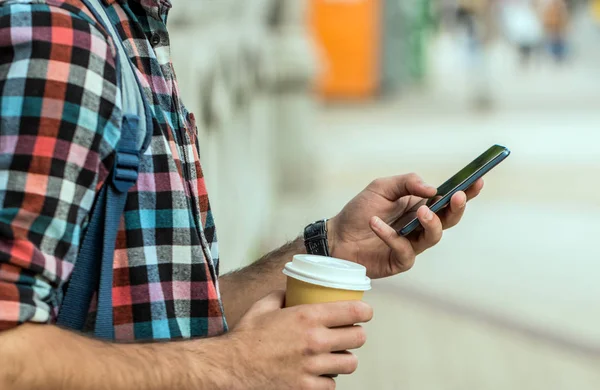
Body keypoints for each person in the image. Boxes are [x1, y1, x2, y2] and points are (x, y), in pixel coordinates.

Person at [0, 0, 484, 389]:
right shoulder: (62, 40)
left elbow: (168, 316)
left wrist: (331, 243)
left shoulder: (131, 31)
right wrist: (231, 366)